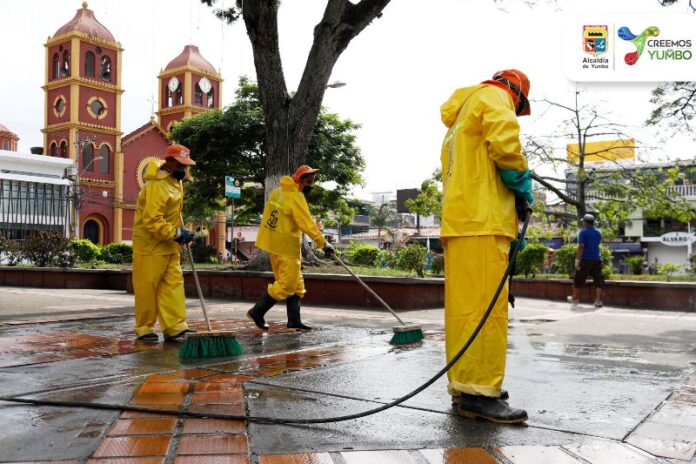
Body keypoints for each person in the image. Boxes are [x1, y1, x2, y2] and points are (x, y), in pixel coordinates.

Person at [439, 69, 533, 424]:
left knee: (464, 313)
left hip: (462, 223)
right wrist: (521, 184)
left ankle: (465, 386)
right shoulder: (495, 97)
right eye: (518, 106)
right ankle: (480, 393)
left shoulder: (461, 116)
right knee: (487, 313)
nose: (515, 109)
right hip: (483, 222)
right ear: (516, 95)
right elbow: (506, 145)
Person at [246, 165, 334, 331]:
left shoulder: (277, 192)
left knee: (296, 285)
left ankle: (294, 321)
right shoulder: (295, 197)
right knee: (287, 285)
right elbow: (307, 223)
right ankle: (257, 311)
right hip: (286, 247)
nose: (310, 186)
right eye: (309, 182)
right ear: (300, 180)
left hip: (272, 244)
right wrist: (323, 243)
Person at [132, 143, 196, 343]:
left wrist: (180, 233)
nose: (183, 169)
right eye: (180, 165)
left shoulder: (175, 182)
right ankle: (144, 328)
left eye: (185, 165)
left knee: (173, 285)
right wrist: (176, 233)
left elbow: (172, 213)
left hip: (169, 245)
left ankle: (175, 327)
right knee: (147, 289)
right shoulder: (157, 185)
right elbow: (152, 220)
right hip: (150, 247)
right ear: (168, 162)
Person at [568, 214, 604, 308]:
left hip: (585, 259)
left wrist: (577, 260)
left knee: (578, 279)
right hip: (597, 259)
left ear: (586, 223)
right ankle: (598, 300)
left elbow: (581, 247)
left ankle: (575, 298)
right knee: (598, 280)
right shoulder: (599, 232)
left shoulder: (583, 232)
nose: (582, 223)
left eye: (583, 221)